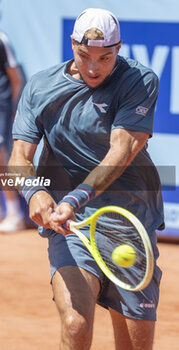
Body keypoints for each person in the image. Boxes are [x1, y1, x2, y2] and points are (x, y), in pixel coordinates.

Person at [8, 8, 164, 350]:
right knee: (76, 324)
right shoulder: (40, 86)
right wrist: (34, 192)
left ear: (119, 48)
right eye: (84, 56)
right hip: (73, 227)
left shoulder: (140, 80)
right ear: (72, 45)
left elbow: (121, 152)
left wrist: (72, 199)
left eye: (105, 57)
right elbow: (17, 159)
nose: (94, 68)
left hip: (129, 221)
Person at [0, 31, 25, 232]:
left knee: (1, 158)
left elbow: (16, 78)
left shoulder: (2, 40)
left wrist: (13, 108)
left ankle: (14, 213)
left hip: (2, 108)